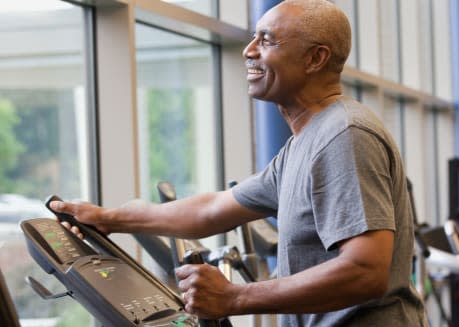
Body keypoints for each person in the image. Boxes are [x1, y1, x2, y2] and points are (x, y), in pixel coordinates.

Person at [50, 1, 428, 326]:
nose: (249, 51)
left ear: (316, 58)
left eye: (267, 40)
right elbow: (215, 209)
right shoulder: (307, 142)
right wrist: (110, 218)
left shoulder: (343, 135)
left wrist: (234, 297)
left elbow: (367, 271)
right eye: (252, 38)